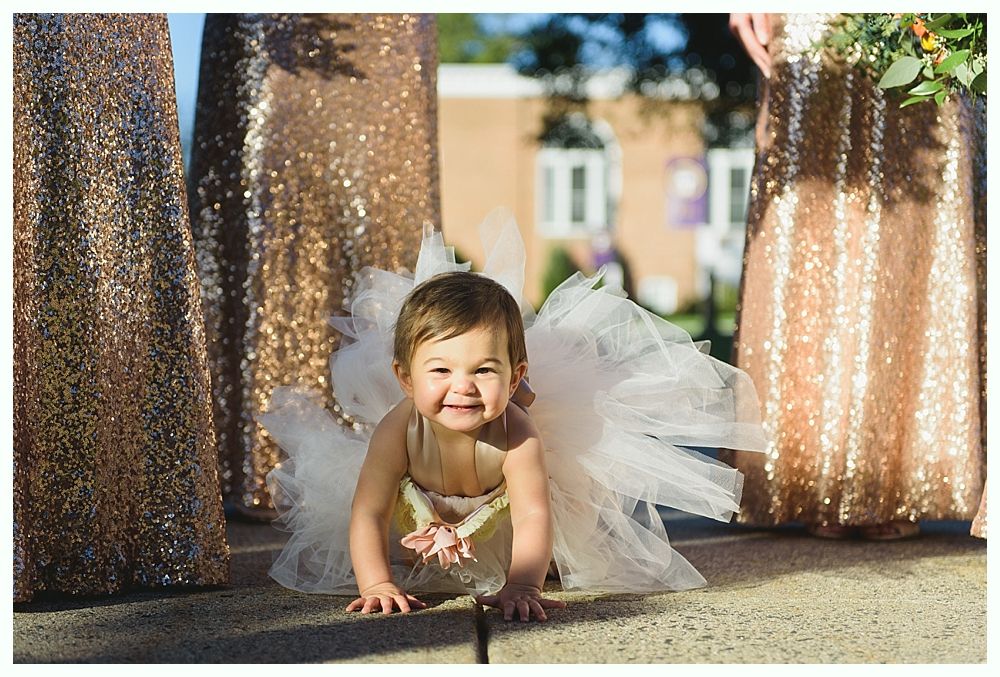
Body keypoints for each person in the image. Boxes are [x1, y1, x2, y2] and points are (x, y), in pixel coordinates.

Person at [259, 212, 768, 620]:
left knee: (541, 558)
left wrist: (522, 582)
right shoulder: (399, 427)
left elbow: (530, 513)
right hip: (416, 513)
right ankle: (414, 560)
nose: (462, 387)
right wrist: (376, 584)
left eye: (483, 370)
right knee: (402, 554)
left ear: (515, 373)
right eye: (441, 370)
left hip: (499, 519)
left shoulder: (516, 434)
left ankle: (529, 569)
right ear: (406, 379)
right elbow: (369, 511)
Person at [720, 14, 986, 539]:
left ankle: (897, 475)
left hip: (924, 20)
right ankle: (810, 471)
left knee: (917, 208)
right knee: (811, 212)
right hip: (810, 18)